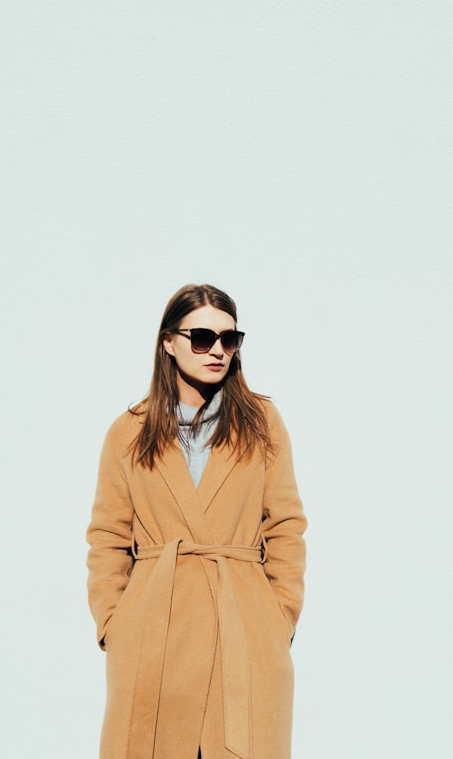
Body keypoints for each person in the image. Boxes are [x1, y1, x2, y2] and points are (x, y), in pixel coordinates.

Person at [85, 283, 307, 759]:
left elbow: (286, 526)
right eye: (202, 338)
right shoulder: (128, 432)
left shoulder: (262, 422)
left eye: (230, 339)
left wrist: (278, 617)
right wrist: (115, 624)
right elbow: (106, 537)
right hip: (154, 630)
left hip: (244, 627)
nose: (218, 351)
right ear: (169, 341)